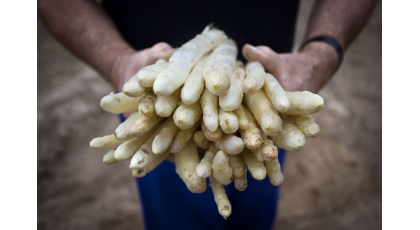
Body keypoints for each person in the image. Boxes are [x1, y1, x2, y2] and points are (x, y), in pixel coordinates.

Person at [39, 0, 376, 229]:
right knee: (180, 215)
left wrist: (322, 52)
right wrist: (117, 61)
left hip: (268, 108)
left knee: (255, 203)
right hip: (157, 109)